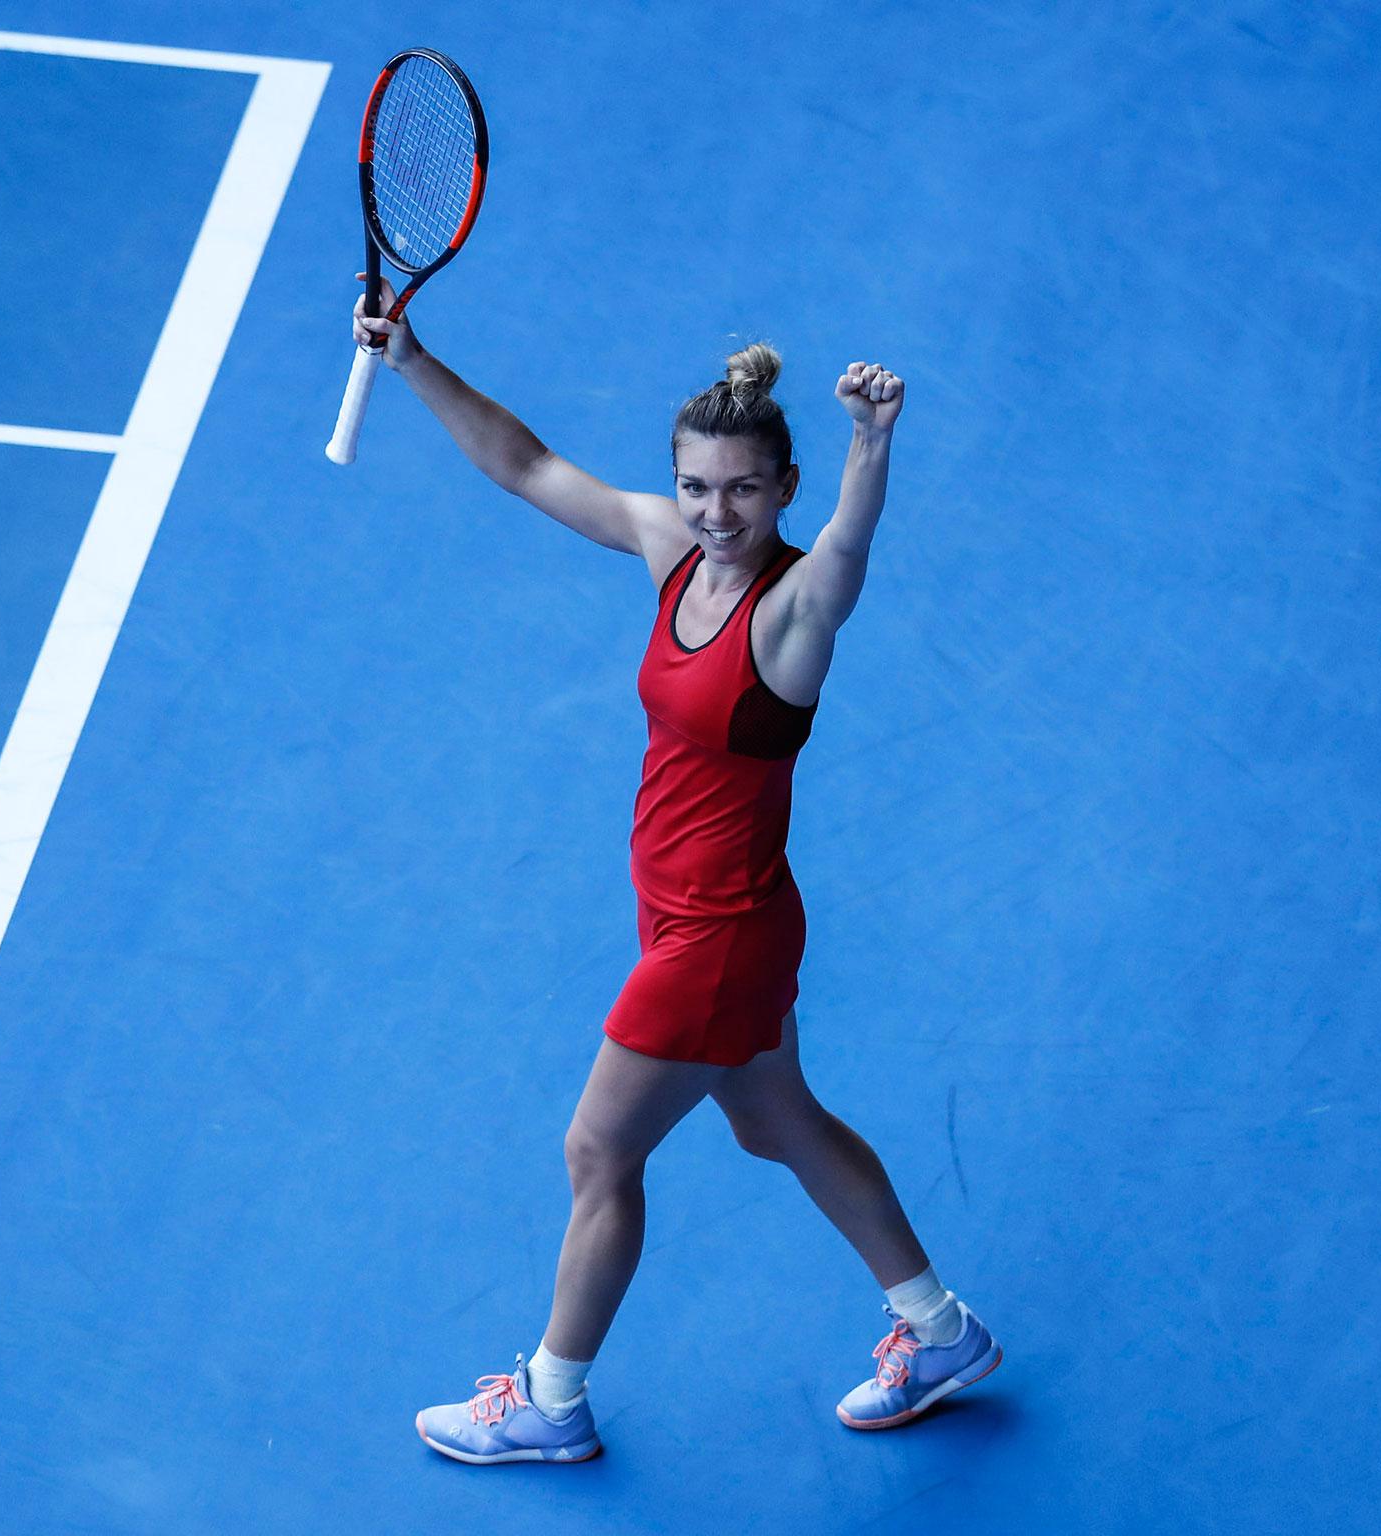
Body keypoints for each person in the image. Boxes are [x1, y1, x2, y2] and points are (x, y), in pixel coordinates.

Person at [348, 275, 1003, 1465]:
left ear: (783, 488)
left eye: (742, 490)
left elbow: (851, 546)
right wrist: (412, 362)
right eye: (696, 485)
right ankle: (937, 1327)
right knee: (778, 1124)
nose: (713, 512)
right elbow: (531, 466)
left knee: (599, 1154)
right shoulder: (669, 550)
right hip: (703, 919)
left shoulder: (792, 610)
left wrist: (870, 440)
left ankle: (551, 1399)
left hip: (717, 938)